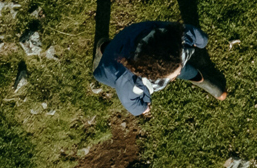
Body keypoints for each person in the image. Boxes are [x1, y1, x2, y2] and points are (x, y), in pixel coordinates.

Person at [93, 21, 226, 116]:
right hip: (111, 65)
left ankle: (203, 81)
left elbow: (196, 35)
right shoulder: (129, 81)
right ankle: (102, 48)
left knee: (183, 69)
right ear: (152, 75)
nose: (178, 72)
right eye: (173, 74)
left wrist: (201, 41)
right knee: (104, 63)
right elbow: (130, 101)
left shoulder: (175, 39)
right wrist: (143, 108)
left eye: (177, 68)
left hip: (133, 36)